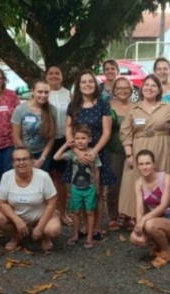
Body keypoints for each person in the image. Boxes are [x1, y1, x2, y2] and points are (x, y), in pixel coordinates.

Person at [119, 74, 170, 223]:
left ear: (159, 90)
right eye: (146, 85)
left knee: (162, 183)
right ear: (142, 88)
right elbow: (125, 133)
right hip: (139, 150)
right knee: (138, 181)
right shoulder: (134, 109)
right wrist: (129, 155)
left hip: (163, 149)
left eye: (153, 86)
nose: (149, 88)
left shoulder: (167, 107)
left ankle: (164, 219)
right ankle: (139, 218)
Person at [64, 70, 116, 240]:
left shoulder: (102, 104)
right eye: (83, 82)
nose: (87, 84)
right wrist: (77, 152)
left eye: (90, 82)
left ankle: (96, 228)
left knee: (98, 192)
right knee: (81, 189)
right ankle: (84, 225)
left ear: (95, 84)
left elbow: (107, 132)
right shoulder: (73, 106)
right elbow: (68, 129)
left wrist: (93, 152)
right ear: (79, 86)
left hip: (97, 153)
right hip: (78, 154)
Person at [0, 147, 62, 252]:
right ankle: (16, 236)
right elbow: (1, 202)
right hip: (18, 216)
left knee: (53, 230)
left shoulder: (43, 177)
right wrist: (17, 220)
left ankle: (44, 236)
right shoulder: (7, 177)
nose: (21, 162)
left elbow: (52, 203)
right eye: (17, 159)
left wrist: (40, 226)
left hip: (40, 216)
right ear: (12, 162)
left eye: (25, 159)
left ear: (31, 161)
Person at [130, 149, 170, 269]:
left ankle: (167, 250)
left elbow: (164, 205)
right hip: (155, 217)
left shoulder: (165, 177)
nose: (145, 167)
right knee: (134, 237)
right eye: (141, 164)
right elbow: (139, 207)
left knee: (150, 225)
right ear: (137, 166)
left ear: (154, 164)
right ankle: (159, 245)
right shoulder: (138, 182)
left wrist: (144, 220)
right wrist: (139, 226)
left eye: (148, 163)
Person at [54, 125, 101, 249]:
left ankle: (90, 237)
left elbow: (96, 171)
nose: (80, 141)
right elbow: (56, 157)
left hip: (90, 189)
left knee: (90, 213)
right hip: (76, 189)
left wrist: (97, 187)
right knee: (75, 212)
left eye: (83, 138)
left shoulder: (93, 153)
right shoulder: (72, 153)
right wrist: (66, 145)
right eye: (77, 138)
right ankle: (75, 235)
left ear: (89, 139)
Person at [106, 77, 134, 231]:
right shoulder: (108, 106)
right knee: (113, 185)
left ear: (131, 90)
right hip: (113, 150)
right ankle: (113, 216)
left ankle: (128, 216)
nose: (123, 91)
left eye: (126, 88)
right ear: (114, 90)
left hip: (133, 151)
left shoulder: (137, 107)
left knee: (129, 185)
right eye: (119, 88)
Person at [46, 65, 73, 226]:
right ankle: (48, 212)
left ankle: (62, 212)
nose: (54, 76)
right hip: (46, 140)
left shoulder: (68, 93)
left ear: (62, 76)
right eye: (51, 73)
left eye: (57, 73)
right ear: (46, 76)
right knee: (47, 178)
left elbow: (74, 116)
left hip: (63, 140)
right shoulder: (42, 92)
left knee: (61, 179)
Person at [12, 79, 56, 172]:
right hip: (24, 153)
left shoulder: (52, 110)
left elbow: (52, 137)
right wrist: (28, 157)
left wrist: (42, 158)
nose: (43, 95)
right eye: (40, 92)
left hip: (44, 153)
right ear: (32, 91)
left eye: (46, 92)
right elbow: (16, 137)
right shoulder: (20, 109)